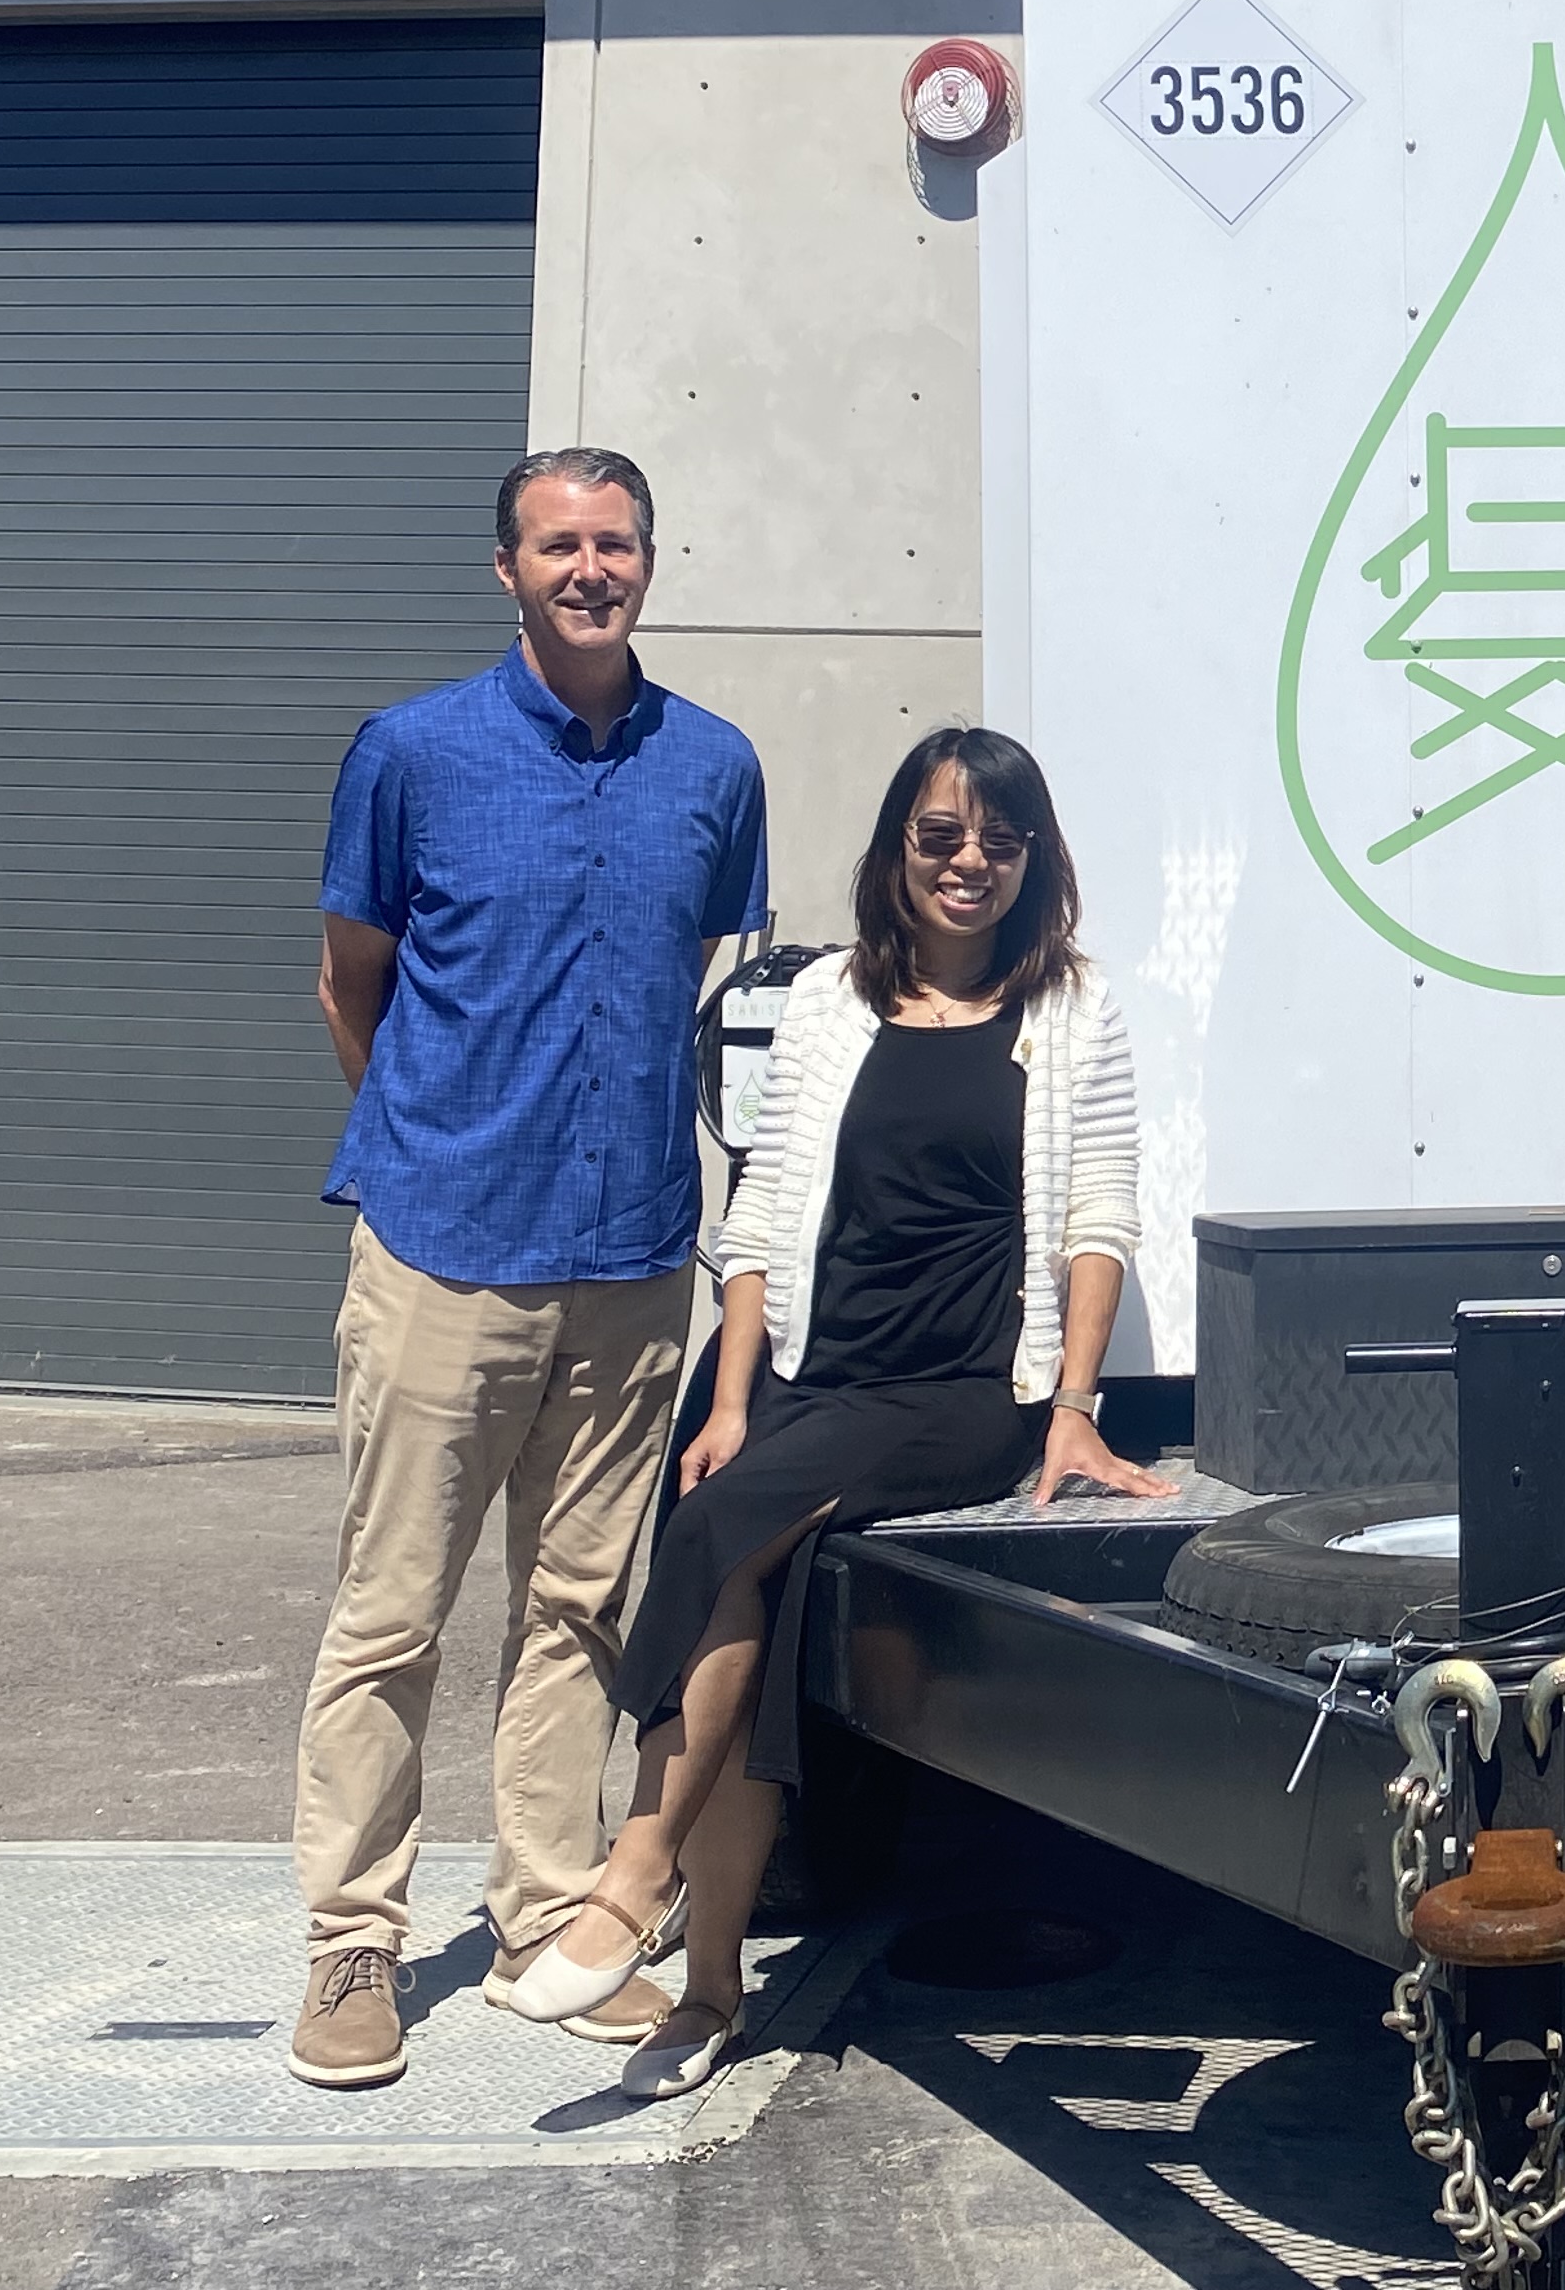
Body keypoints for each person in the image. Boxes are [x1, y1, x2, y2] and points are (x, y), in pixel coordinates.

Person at [497, 726, 1168, 2090]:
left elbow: (1098, 1219)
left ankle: (634, 1875)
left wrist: (1074, 1407)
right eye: (940, 836)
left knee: (715, 1535)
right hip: (812, 1379)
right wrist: (731, 1399)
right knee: (758, 1619)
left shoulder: (1071, 1006)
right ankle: (711, 1992)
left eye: (1000, 841)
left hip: (961, 1394)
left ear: (1034, 860)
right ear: (896, 850)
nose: (969, 862)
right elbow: (759, 1218)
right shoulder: (826, 1002)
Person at [291, 447, 766, 2091]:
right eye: (558, 543)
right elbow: (349, 978)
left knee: (577, 1611)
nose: (589, 568)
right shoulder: (412, 752)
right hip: (441, 1249)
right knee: (390, 1614)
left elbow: (695, 977)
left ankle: (540, 1915)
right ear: (506, 568)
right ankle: (352, 1937)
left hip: (629, 1259)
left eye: (615, 542)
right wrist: (431, 1144)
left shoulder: (714, 765)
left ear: (649, 560)